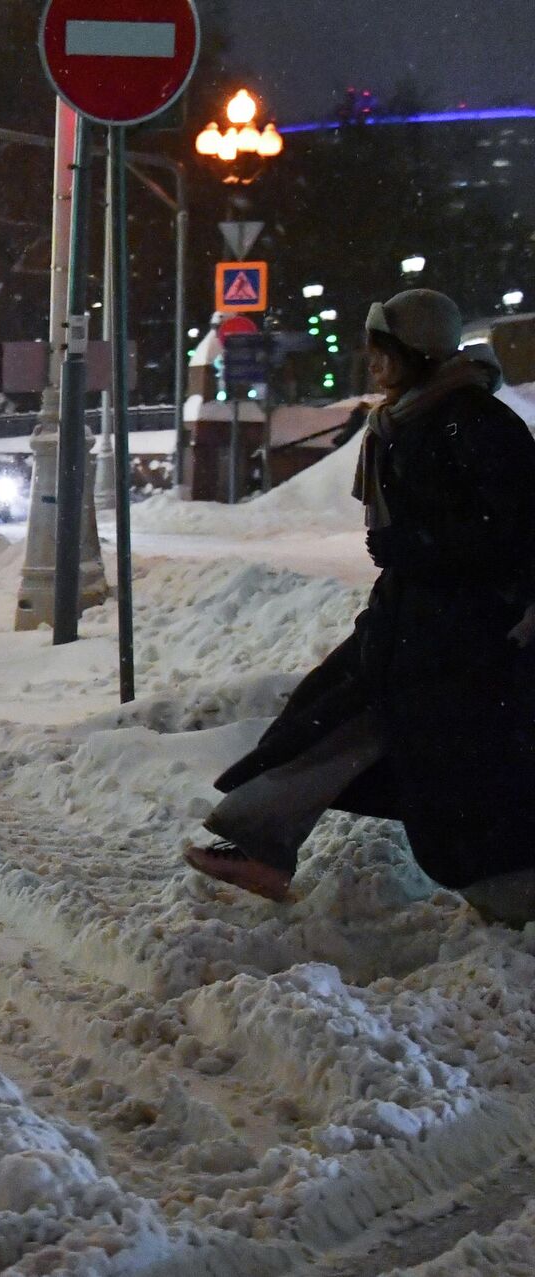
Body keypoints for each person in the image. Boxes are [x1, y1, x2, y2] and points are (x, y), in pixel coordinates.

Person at [187, 289, 535, 920]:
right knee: (327, 716)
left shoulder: (471, 420)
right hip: (411, 622)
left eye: (384, 353)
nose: (373, 367)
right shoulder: (409, 417)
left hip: (464, 635)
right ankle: (260, 843)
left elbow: (511, 530)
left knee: (451, 764)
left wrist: (419, 545)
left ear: (417, 352)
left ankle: (512, 895)